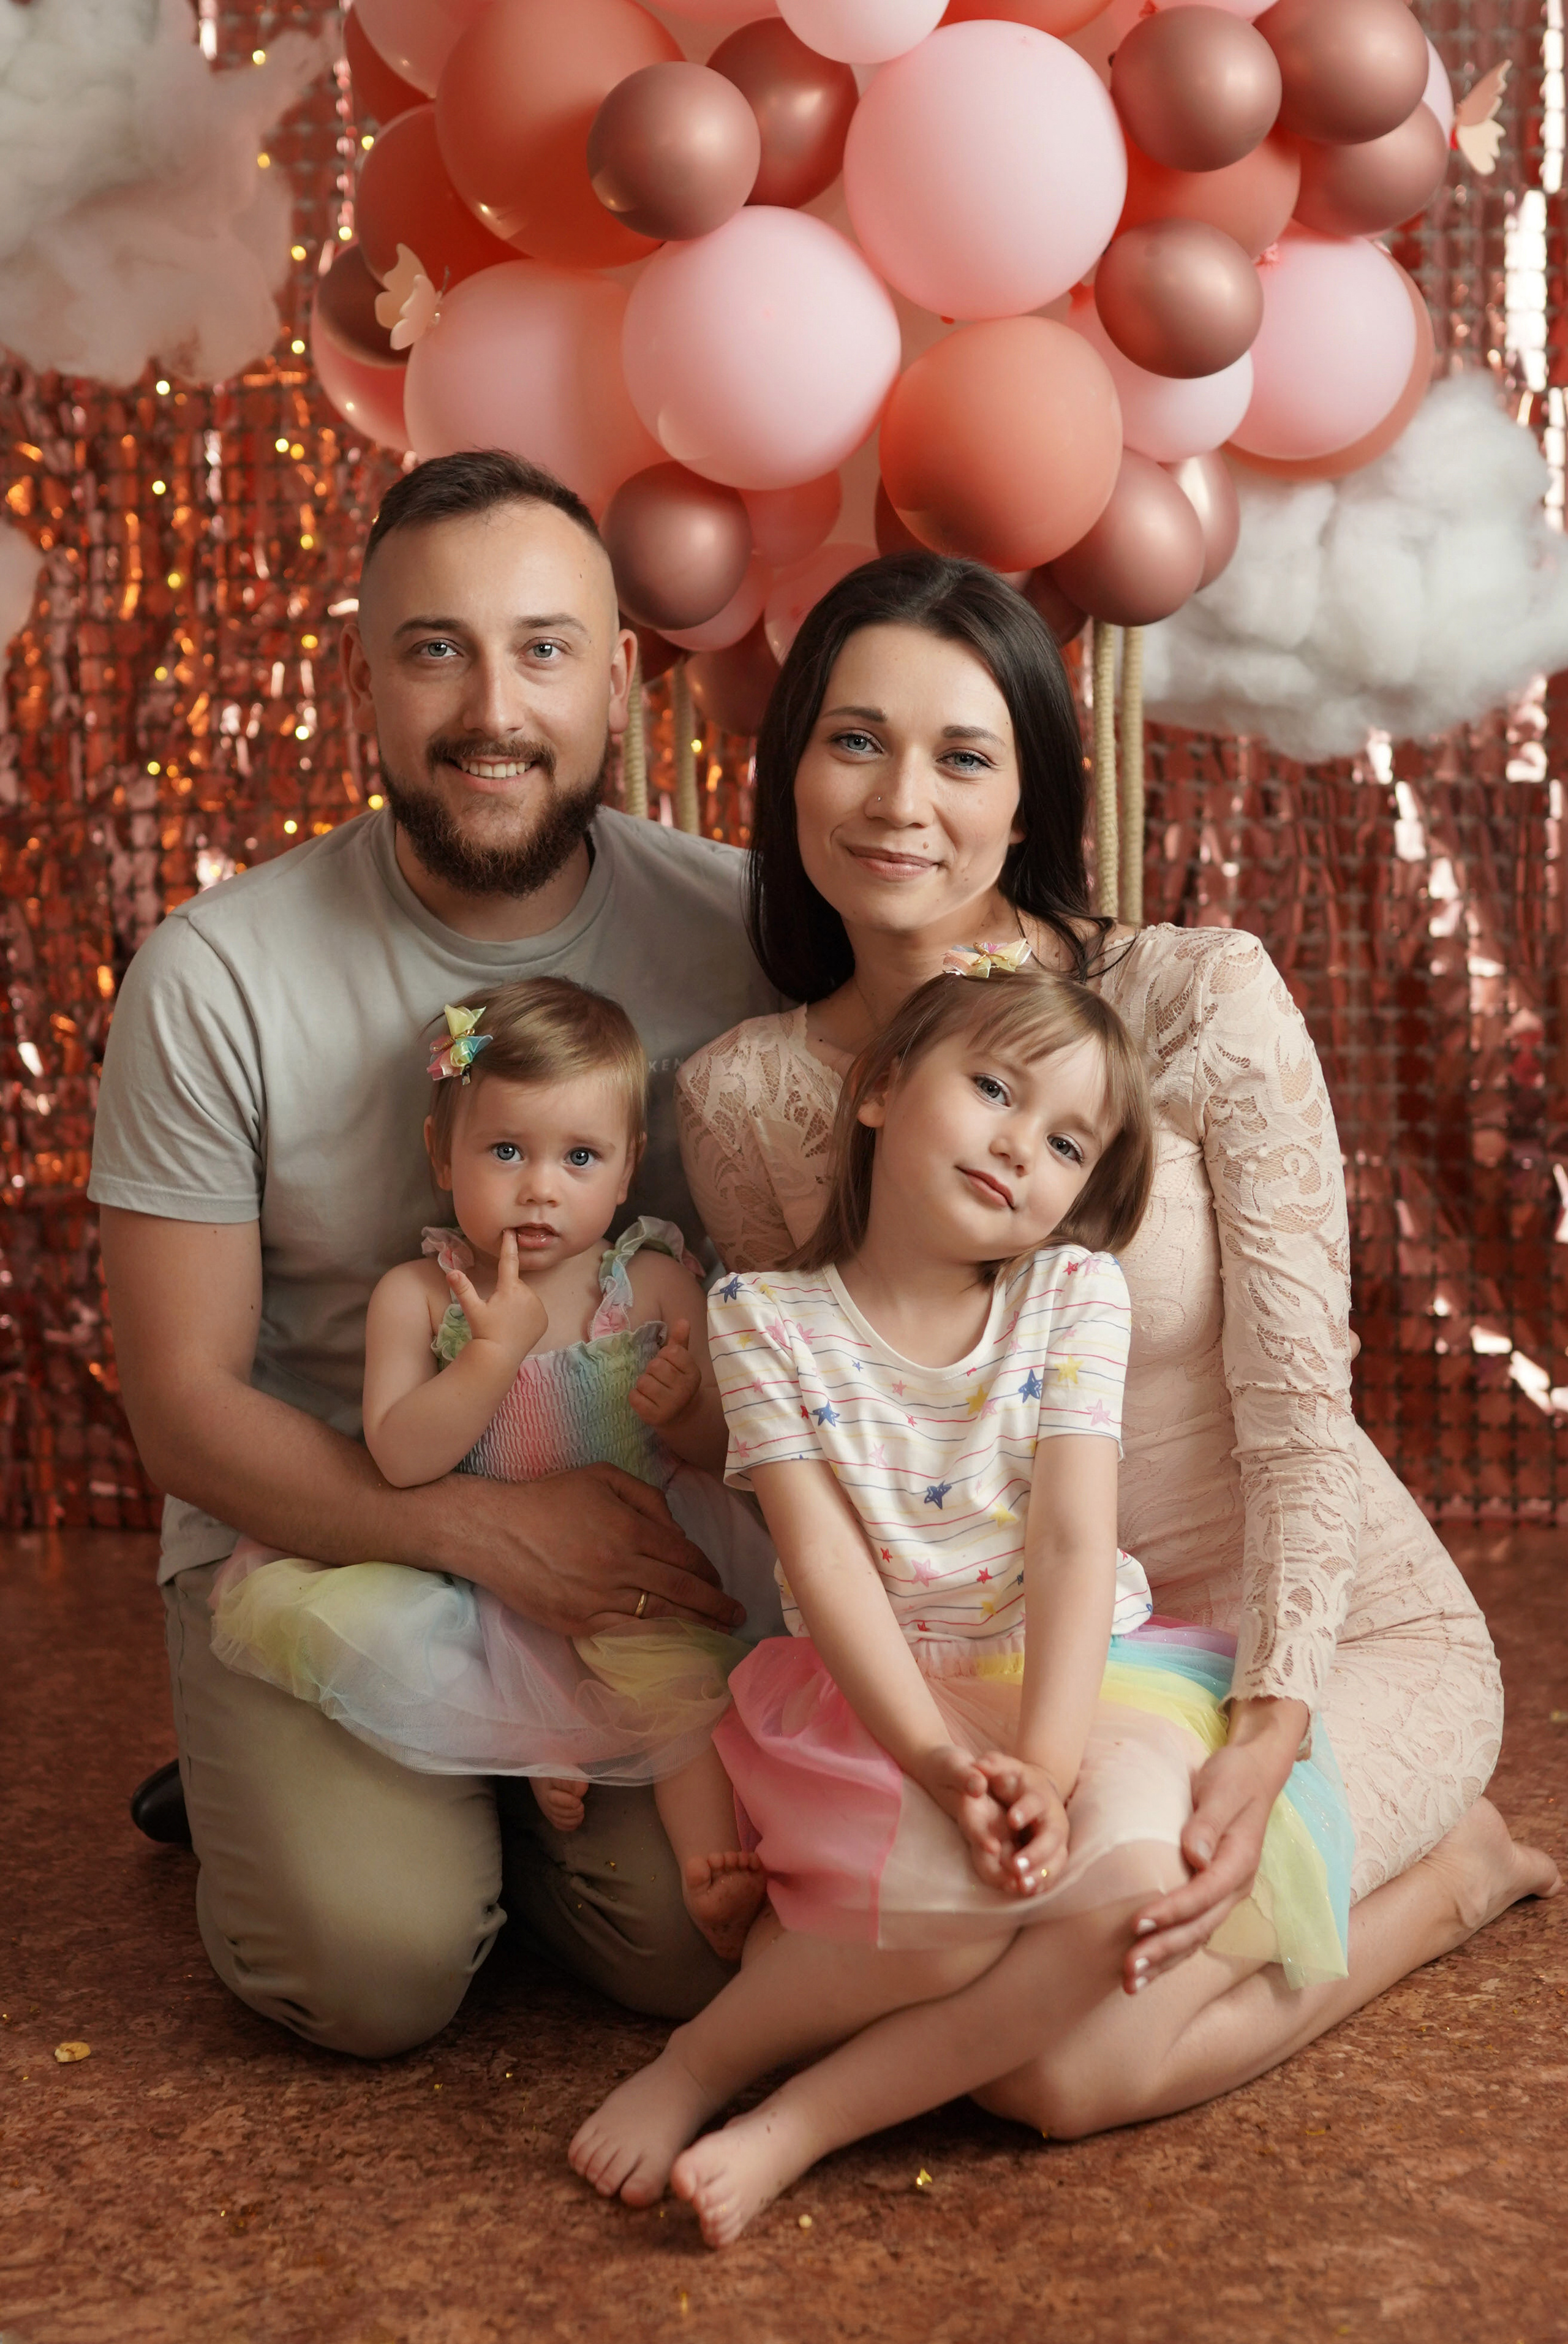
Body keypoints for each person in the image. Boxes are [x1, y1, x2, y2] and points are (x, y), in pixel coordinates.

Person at [674, 550, 1558, 2143]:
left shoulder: (1196, 1003)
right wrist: (893, 1773)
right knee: (966, 2004)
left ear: (1031, 802)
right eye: (853, 740)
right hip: (1042, 1679)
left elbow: (1300, 1422)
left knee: (1053, 2072)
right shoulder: (746, 1103)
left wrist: (1271, 1730)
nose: (899, 802)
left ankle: (1457, 1876)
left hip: (1332, 1636)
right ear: (790, 766)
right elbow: (840, 1473)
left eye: (962, 756)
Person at [89, 450, 778, 2057]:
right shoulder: (216, 978)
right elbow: (185, 1410)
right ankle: (326, 1786)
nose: (494, 706)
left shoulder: (746, 933)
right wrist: (487, 1536)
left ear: (617, 679)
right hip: (317, 1538)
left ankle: (462, 1799)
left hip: (620, 1543)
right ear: (366, 682)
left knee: (698, 1944)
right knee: (374, 1971)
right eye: (435, 648)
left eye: (543, 648)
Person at [574, 958, 1356, 2245]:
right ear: (880, 1090)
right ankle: (698, 2067)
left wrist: (1044, 1767)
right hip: (883, 1688)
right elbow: (822, 1573)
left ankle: (800, 2123)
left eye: (1062, 1141)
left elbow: (1066, 1541)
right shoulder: (763, 1321)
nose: (1015, 1147)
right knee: (945, 1921)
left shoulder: (1070, 1297)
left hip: (1081, 1676)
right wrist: (942, 1764)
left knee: (1119, 1904)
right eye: (990, 1088)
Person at [208, 977, 774, 1961]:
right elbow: (400, 1457)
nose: (540, 1187)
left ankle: (705, 1867)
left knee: (686, 1696)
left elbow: (732, 1453)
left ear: (630, 1165)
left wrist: (684, 1410)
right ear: (443, 1155)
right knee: (469, 1668)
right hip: (471, 1572)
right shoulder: (423, 1297)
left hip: (630, 1566)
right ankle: (531, 1766)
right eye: (506, 1151)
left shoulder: (649, 1280)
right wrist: (489, 1356)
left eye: (579, 1156)